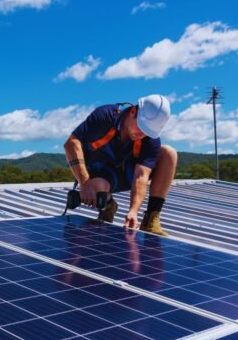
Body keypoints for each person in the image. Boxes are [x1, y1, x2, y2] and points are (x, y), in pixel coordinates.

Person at [63, 94, 177, 236]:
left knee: (168, 153)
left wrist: (133, 211)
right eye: (141, 127)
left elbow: (141, 176)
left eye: (147, 132)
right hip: (101, 171)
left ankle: (151, 220)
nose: (142, 134)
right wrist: (85, 183)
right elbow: (71, 143)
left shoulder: (150, 140)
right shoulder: (105, 116)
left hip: (127, 172)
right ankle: (108, 206)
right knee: (98, 186)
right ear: (133, 112)